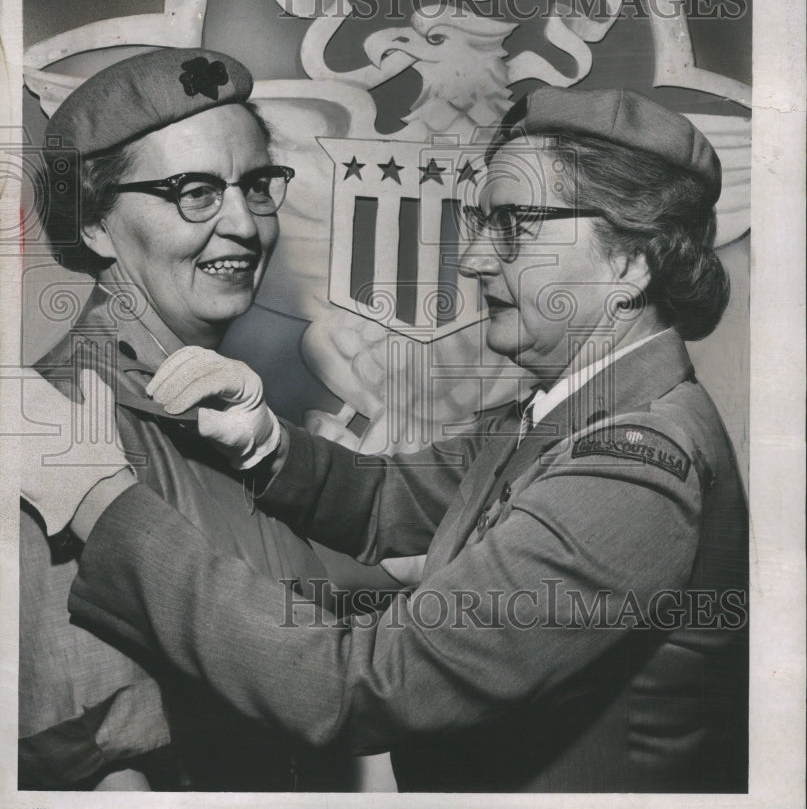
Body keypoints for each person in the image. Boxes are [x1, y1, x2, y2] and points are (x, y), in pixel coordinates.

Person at [21, 85, 749, 793]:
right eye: (480, 223)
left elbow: (361, 688)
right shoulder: (564, 409)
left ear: (630, 262)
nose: (472, 260)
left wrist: (99, 499)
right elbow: (388, 500)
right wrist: (267, 444)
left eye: (515, 227)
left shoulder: (631, 465)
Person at [19, 48, 350, 791]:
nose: (242, 224)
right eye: (192, 191)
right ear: (98, 226)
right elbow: (97, 764)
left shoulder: (225, 410)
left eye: (255, 185)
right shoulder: (64, 425)